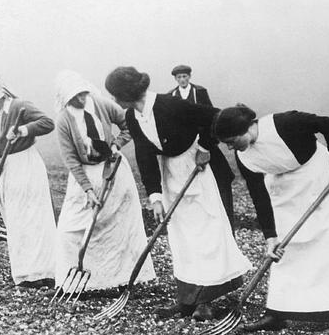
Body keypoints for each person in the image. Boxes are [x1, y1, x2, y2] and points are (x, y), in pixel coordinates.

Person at [104, 66, 250, 320]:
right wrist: (155, 196)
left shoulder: (170, 105)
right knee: (181, 235)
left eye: (117, 95)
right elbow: (145, 154)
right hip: (170, 172)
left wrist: (205, 146)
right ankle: (187, 299)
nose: (115, 100)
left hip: (199, 168)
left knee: (207, 233)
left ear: (128, 93)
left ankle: (208, 299)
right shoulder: (132, 116)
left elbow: (216, 117)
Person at [212, 105, 329, 335]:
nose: (230, 147)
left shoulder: (285, 123)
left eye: (231, 140)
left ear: (246, 127)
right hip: (283, 192)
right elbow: (258, 196)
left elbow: (327, 123)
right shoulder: (244, 157)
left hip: (319, 178)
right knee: (285, 250)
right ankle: (277, 313)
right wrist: (270, 236)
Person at [53, 71, 156, 293]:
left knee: (119, 227)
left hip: (113, 170)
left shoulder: (100, 103)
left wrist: (117, 144)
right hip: (84, 176)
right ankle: (72, 282)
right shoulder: (63, 120)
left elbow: (129, 124)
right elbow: (70, 158)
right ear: (66, 98)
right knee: (71, 229)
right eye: (76, 96)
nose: (82, 98)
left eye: (83, 93)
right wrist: (88, 189)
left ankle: (123, 280)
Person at [0, 81, 57, 288]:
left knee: (33, 217)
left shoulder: (19, 106)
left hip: (25, 164)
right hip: (5, 169)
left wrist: (23, 130)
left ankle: (45, 271)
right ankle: (25, 272)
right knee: (15, 219)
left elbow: (47, 123)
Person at [168, 64, 235, 228]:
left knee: (221, 175)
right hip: (185, 143)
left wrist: (206, 141)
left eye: (185, 76)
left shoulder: (200, 92)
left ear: (189, 77)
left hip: (204, 139)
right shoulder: (171, 95)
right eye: (179, 77)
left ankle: (226, 220)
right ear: (175, 79)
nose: (182, 80)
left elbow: (211, 114)